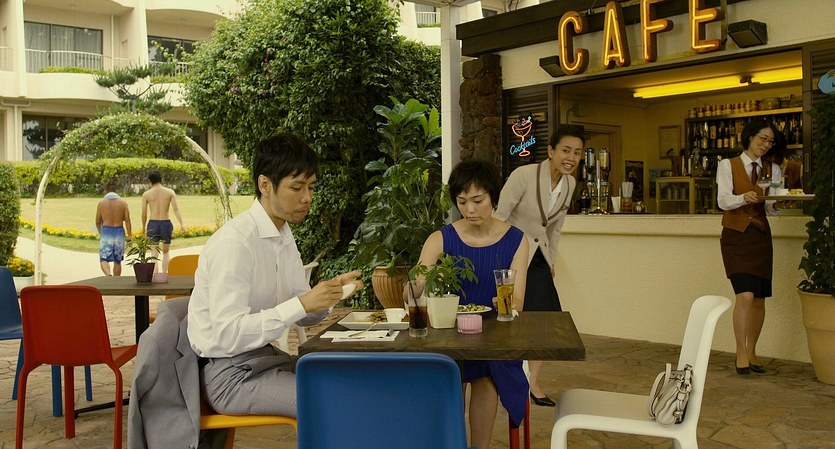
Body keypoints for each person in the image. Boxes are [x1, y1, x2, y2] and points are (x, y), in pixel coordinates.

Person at [187, 133, 361, 417]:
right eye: (297, 187)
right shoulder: (235, 243)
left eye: (311, 187)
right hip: (231, 374)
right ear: (265, 185)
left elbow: (302, 313)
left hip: (266, 359)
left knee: (356, 383)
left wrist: (328, 296)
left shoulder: (283, 235)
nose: (307, 198)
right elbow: (229, 334)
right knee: (331, 404)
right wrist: (302, 303)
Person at [414, 158, 528, 449]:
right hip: (447, 334)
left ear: (493, 197)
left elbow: (518, 300)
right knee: (448, 374)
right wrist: (418, 284)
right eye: (462, 202)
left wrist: (506, 302)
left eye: (478, 201)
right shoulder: (441, 238)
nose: (470, 210)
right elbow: (413, 292)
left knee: (486, 377)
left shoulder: (516, 240)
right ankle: (448, 443)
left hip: (494, 336)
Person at [494, 125, 583, 406]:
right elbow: (500, 217)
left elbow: (554, 228)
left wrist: (551, 259)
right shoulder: (523, 175)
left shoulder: (569, 184)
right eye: (566, 150)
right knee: (512, 317)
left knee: (546, 319)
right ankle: (509, 377)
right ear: (551, 151)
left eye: (577, 153)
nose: (571, 157)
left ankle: (532, 383)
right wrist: (498, 257)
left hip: (540, 257)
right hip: (512, 254)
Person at [716, 119, 783, 375]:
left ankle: (753, 350)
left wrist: (778, 203)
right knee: (744, 295)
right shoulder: (728, 165)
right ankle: (740, 351)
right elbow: (723, 201)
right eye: (762, 138)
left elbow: (770, 209)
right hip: (736, 236)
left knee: (758, 299)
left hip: (760, 237)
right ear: (750, 137)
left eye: (770, 141)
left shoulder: (773, 170)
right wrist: (743, 197)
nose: (766, 144)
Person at [141, 170, 185, 273]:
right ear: (162, 180)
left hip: (153, 224)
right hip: (166, 223)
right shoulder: (170, 192)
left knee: (153, 253)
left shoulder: (146, 194)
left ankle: (155, 275)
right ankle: (164, 274)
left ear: (149, 181)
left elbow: (144, 213)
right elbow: (176, 209)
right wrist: (182, 224)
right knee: (166, 252)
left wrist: (143, 227)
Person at [95, 183, 132, 276]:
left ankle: (108, 275)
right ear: (116, 191)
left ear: (106, 191)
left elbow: (97, 221)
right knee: (117, 260)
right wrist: (130, 235)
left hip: (106, 231)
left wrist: (100, 232)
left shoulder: (101, 203)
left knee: (104, 258)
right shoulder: (123, 203)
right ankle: (116, 280)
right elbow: (127, 220)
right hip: (119, 231)